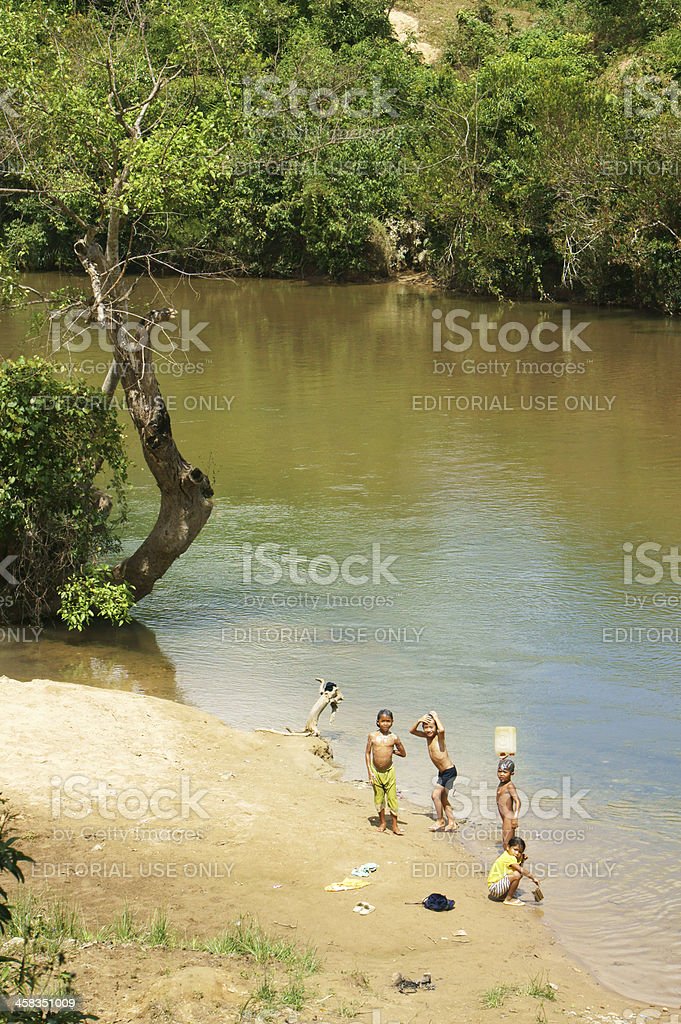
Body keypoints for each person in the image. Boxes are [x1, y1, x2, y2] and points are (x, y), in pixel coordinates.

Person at [409, 710, 457, 832]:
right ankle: (452, 822)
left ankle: (440, 820)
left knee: (435, 795)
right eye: (426, 727)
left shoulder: (438, 736)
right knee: (443, 798)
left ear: (435, 727)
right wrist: (419, 720)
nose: (429, 730)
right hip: (443, 772)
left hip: (449, 771)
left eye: (431, 727)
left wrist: (436, 717)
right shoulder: (426, 736)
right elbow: (412, 731)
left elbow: (442, 730)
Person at [365, 709, 406, 835]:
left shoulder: (394, 738)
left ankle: (394, 825)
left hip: (389, 772)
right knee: (379, 798)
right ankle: (382, 822)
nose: (385, 724)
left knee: (392, 798)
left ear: (392, 722)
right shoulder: (372, 736)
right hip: (375, 771)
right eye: (383, 721)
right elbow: (367, 753)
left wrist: (392, 751)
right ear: (378, 722)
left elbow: (403, 753)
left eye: (388, 721)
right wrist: (369, 772)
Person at [487, 836, 539, 906]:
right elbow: (520, 870)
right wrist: (533, 878)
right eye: (515, 849)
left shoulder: (509, 855)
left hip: (496, 887)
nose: (517, 853)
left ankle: (503, 896)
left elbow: (519, 867)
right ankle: (508, 899)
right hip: (495, 888)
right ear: (508, 847)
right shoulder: (509, 858)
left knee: (517, 874)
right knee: (517, 875)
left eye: (520, 851)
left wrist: (522, 860)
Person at [496, 757, 521, 845]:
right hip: (504, 817)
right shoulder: (502, 782)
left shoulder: (509, 786)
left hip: (509, 817)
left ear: (512, 773)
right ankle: (517, 856)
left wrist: (515, 817)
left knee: (507, 843)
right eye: (499, 771)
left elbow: (517, 801)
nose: (501, 774)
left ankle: (515, 857)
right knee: (507, 841)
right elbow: (502, 765)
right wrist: (502, 759)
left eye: (505, 772)